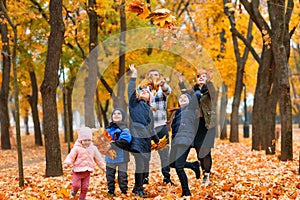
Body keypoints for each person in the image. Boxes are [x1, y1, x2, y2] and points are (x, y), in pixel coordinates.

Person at [178, 69, 217, 186]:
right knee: (199, 151)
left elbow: (213, 95)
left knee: (206, 150)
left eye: (203, 76)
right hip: (195, 124)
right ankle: (203, 169)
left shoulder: (209, 89)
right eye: (199, 76)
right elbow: (184, 94)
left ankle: (207, 175)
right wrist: (181, 82)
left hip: (208, 124)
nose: (201, 78)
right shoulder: (193, 90)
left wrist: (208, 82)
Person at [128, 64, 159, 197]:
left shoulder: (149, 110)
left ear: (150, 98)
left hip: (146, 139)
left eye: (147, 92)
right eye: (142, 91)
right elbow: (130, 90)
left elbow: (151, 128)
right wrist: (134, 74)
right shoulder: (134, 104)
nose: (144, 92)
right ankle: (139, 189)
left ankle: (138, 187)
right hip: (137, 137)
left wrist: (156, 140)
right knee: (140, 163)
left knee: (145, 164)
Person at [143, 69, 173, 185]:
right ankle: (145, 178)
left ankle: (166, 178)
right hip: (148, 128)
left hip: (161, 126)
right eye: (153, 75)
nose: (155, 76)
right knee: (146, 154)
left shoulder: (162, 90)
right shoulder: (143, 90)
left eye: (157, 75)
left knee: (164, 154)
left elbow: (168, 91)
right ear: (148, 77)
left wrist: (163, 84)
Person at [169, 92, 199, 197]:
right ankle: (193, 165)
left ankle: (186, 191)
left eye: (185, 97)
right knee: (171, 163)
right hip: (176, 141)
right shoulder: (177, 113)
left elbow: (197, 95)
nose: (182, 98)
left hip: (185, 140)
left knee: (179, 166)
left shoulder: (191, 110)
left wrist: (183, 85)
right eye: (180, 97)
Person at [64, 127, 105, 200]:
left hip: (87, 172)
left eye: (89, 140)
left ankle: (82, 198)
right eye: (85, 140)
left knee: (85, 188)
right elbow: (71, 156)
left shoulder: (93, 148)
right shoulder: (76, 148)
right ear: (80, 140)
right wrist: (67, 163)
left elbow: (99, 159)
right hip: (77, 171)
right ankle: (73, 192)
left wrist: (103, 167)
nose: (87, 142)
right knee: (76, 185)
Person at [105, 108, 132, 196]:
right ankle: (111, 191)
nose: (116, 115)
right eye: (114, 114)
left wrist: (112, 144)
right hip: (110, 158)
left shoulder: (125, 129)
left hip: (122, 157)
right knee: (109, 176)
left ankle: (124, 191)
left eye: (119, 113)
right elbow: (103, 141)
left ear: (123, 117)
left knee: (122, 176)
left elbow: (125, 142)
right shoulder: (108, 129)